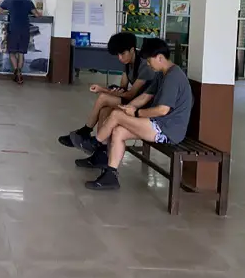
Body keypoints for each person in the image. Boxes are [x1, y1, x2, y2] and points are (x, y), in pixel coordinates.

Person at [81, 38, 193, 191]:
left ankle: (95, 142)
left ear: (160, 57)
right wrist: (129, 106)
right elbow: (146, 96)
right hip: (158, 123)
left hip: (167, 129)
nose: (147, 63)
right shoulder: (162, 74)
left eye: (149, 60)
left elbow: (163, 110)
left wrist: (136, 112)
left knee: (116, 116)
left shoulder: (174, 77)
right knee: (118, 131)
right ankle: (110, 176)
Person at [59, 32, 157, 148]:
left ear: (132, 50)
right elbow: (123, 88)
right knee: (104, 111)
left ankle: (85, 131)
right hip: (133, 101)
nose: (120, 58)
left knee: (103, 97)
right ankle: (102, 150)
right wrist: (114, 90)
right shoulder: (127, 63)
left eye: (122, 54)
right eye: (118, 55)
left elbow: (130, 94)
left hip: (143, 104)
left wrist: (103, 90)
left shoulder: (144, 66)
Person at [0, 0, 40, 84]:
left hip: (13, 30)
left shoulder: (9, 0)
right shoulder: (28, 1)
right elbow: (37, 15)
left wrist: (9, 11)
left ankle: (16, 71)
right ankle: (19, 74)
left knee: (12, 53)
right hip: (24, 30)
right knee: (21, 53)